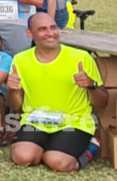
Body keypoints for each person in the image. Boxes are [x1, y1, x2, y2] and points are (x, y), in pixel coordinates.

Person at [8, 12, 106, 172]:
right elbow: (16, 106)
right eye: (42, 29)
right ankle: (50, 147)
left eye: (53, 27)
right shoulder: (20, 60)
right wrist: (12, 90)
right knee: (22, 158)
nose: (50, 33)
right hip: (36, 121)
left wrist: (91, 85)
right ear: (30, 34)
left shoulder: (80, 57)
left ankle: (90, 149)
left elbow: (102, 102)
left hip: (75, 122)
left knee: (58, 162)